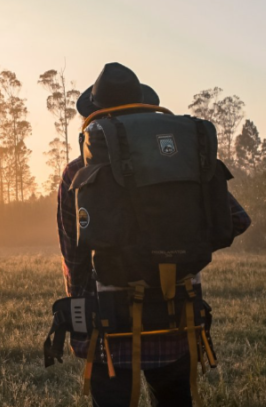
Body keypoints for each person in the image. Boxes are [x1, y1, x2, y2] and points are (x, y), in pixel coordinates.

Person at [56, 62, 252, 407]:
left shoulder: (77, 172)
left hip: (109, 324)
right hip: (177, 316)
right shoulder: (186, 163)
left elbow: (74, 258)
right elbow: (236, 220)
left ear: (97, 114)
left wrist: (79, 318)